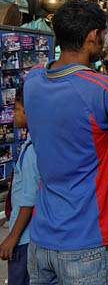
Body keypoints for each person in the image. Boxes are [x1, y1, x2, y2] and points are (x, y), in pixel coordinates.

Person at [24, 0, 108, 284]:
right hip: (87, 239)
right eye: (105, 34)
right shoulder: (100, 87)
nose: (106, 39)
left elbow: (83, 101)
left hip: (42, 237)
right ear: (92, 36)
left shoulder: (33, 80)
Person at [0, 85, 39, 285]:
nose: (12, 113)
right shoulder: (32, 144)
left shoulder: (32, 150)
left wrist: (12, 238)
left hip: (24, 240)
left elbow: (28, 201)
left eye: (15, 108)